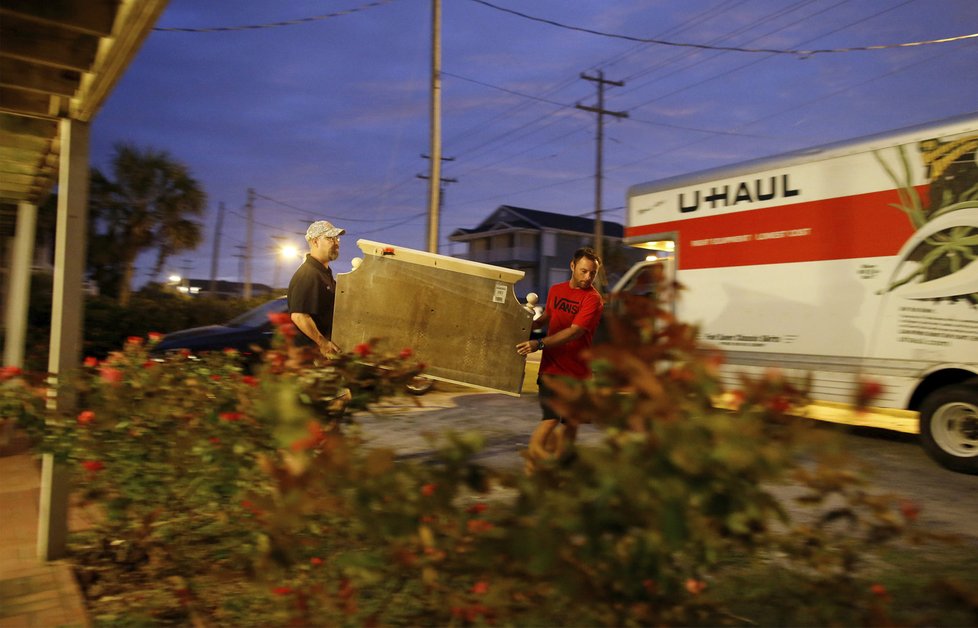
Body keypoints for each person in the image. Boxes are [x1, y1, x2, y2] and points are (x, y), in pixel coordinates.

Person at [516, 247, 604, 464]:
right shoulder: (556, 290)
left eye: (592, 273)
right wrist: (523, 323)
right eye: (584, 271)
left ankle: (564, 466)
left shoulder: (593, 299)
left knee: (571, 423)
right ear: (572, 266)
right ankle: (532, 466)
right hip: (552, 369)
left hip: (578, 373)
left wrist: (539, 343)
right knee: (551, 419)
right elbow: (546, 318)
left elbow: (575, 332)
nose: (588, 277)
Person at [288, 220, 346, 358]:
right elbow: (299, 315)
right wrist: (323, 343)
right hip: (309, 358)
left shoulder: (323, 272)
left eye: (337, 238)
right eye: (330, 238)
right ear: (315, 242)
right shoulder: (308, 274)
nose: (336, 242)